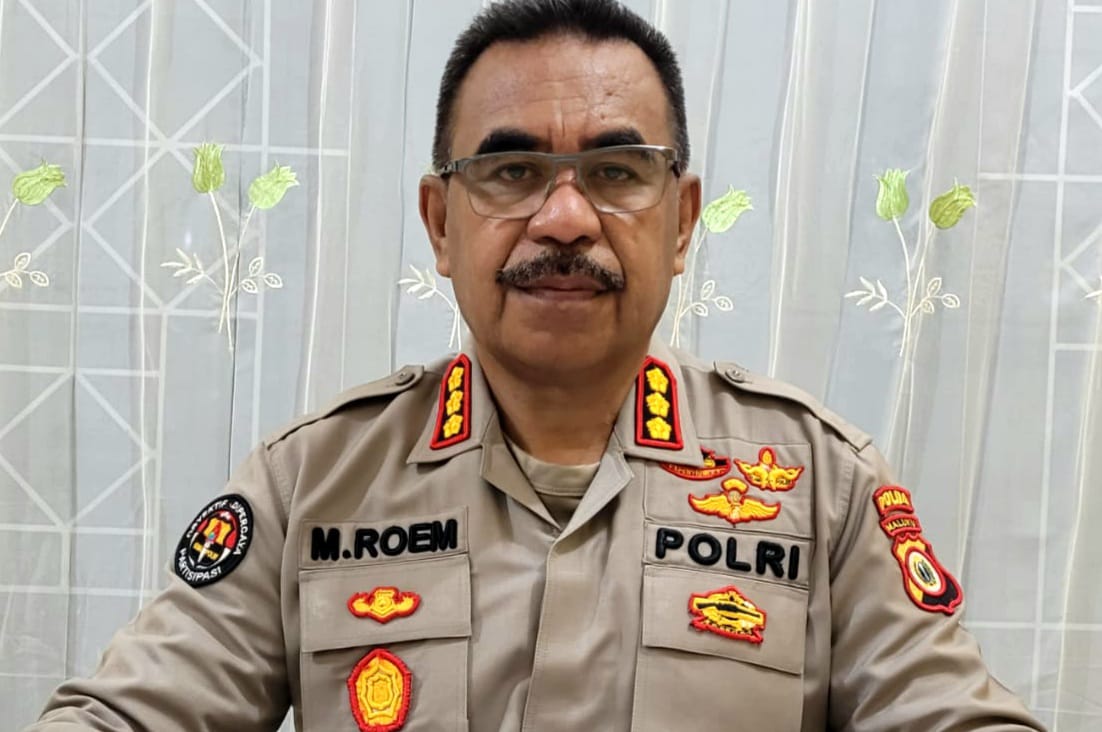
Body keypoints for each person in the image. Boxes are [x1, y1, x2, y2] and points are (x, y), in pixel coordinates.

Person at [30, 0, 1046, 730]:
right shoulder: (312, 482)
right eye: (511, 170)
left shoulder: (822, 485)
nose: (564, 218)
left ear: (681, 222)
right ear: (441, 221)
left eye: (616, 171)